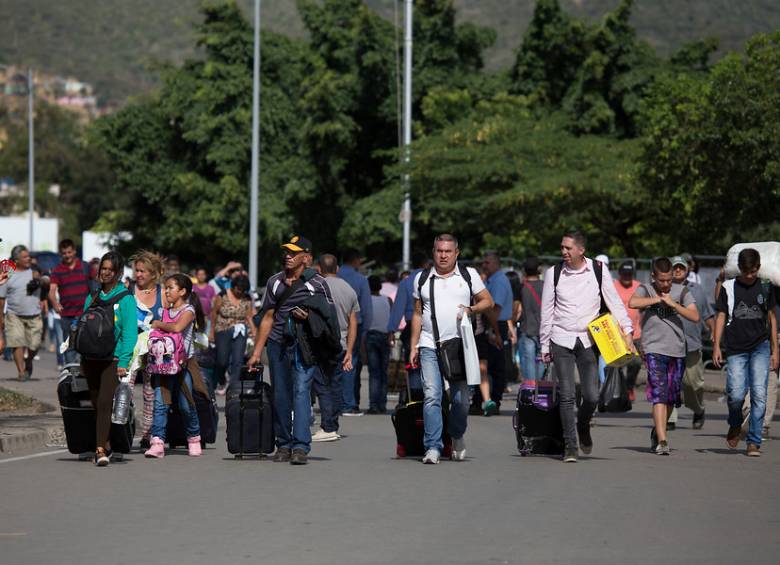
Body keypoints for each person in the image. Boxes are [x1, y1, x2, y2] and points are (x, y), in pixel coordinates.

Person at [540, 230, 634, 463]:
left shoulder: (598, 270)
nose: (563, 252)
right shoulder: (554, 273)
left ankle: (583, 426)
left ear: (581, 250)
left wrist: (628, 332)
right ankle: (570, 446)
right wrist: (544, 345)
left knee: (591, 396)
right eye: (562, 247)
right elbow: (547, 311)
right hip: (561, 339)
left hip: (590, 340)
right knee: (567, 396)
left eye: (568, 248)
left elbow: (614, 303)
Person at [248, 236, 334, 465]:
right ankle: (283, 444)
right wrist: (257, 352)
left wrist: (308, 317)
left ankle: (300, 446)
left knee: (300, 392)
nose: (288, 256)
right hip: (277, 345)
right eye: (286, 251)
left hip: (304, 346)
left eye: (294, 253)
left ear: (306, 258)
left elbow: (328, 317)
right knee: (281, 394)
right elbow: (267, 317)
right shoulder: (274, 282)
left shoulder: (317, 283)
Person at [410, 234, 496, 464]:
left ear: (456, 252)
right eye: (439, 251)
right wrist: (413, 345)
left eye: (448, 251)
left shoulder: (468, 275)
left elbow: (488, 301)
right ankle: (433, 447)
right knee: (432, 396)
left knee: (460, 399)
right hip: (429, 344)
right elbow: (418, 313)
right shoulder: (422, 278)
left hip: (459, 346)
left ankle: (456, 435)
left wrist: (471, 308)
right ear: (433, 252)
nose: (443, 255)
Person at [629, 257, 699, 454]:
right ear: (654, 277)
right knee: (659, 393)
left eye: (669, 280)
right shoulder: (646, 289)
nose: (667, 284)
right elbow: (632, 302)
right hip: (653, 349)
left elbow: (695, 316)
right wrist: (658, 300)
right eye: (662, 280)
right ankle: (662, 440)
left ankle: (657, 431)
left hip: (677, 350)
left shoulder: (681, 291)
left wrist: (674, 305)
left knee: (671, 397)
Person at [712, 248, 779, 457]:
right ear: (740, 269)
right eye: (746, 271)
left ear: (758, 268)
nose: (750, 275)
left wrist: (775, 350)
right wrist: (716, 345)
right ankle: (734, 423)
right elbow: (721, 316)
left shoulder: (766, 287)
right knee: (735, 393)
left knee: (759, 394)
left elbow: (772, 318)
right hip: (735, 348)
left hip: (760, 346)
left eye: (753, 271)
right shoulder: (729, 287)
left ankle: (754, 441)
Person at [80, 251, 137, 466]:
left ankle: (100, 450)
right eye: (102, 268)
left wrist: (124, 362)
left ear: (118, 273)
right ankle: (108, 443)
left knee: (105, 402)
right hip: (90, 359)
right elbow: (84, 325)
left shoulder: (126, 299)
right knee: (96, 404)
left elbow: (130, 334)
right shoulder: (93, 296)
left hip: (112, 360)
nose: (104, 273)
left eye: (109, 270)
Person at [144, 274, 206, 458]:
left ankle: (194, 437)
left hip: (183, 366)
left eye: (170, 287)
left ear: (182, 291)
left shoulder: (189, 310)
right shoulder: (163, 311)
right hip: (163, 366)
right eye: (166, 288)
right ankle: (157, 442)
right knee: (160, 403)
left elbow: (178, 328)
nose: (167, 291)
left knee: (186, 405)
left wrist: (158, 324)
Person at [311, 254, 359, 442]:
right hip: (341, 342)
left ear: (319, 269)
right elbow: (353, 323)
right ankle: (333, 423)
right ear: (337, 268)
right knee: (335, 383)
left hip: (320, 341)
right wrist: (349, 350)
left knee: (321, 384)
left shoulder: (316, 287)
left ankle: (327, 426)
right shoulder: (349, 290)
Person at [666, 256, 715, 429]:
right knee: (670, 381)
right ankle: (669, 418)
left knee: (692, 383)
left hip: (692, 344)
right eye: (675, 267)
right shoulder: (663, 289)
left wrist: (714, 331)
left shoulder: (698, 290)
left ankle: (698, 409)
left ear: (687, 270)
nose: (678, 270)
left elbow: (708, 314)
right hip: (668, 344)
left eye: (681, 267)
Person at [129, 250, 165, 448]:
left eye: (143, 271)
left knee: (150, 392)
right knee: (125, 389)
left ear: (153, 274)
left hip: (154, 350)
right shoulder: (129, 291)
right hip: (131, 349)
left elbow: (169, 318)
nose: (139, 275)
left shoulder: (163, 293)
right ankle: (122, 428)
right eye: (137, 271)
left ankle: (148, 434)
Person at [0, 245, 45, 381]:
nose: (29, 259)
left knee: (35, 345)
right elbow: (1, 299)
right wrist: (1, 317)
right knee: (16, 343)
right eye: (25, 257)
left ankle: (29, 362)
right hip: (14, 315)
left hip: (34, 315)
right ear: (16, 260)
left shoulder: (35, 272)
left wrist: (41, 281)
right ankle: (21, 372)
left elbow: (47, 283)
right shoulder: (8, 275)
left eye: (29, 256)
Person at [387, 252, 429, 394]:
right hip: (431, 325)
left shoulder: (406, 282)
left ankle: (415, 394)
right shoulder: (432, 279)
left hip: (412, 327)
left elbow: (398, 308)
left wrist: (391, 330)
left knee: (413, 363)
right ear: (426, 264)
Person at [338, 248, 373, 415]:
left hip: (332, 325)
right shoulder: (360, 279)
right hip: (354, 326)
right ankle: (349, 403)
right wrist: (366, 328)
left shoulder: (334, 277)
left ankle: (334, 401)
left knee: (332, 364)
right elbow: (366, 307)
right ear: (356, 261)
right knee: (350, 362)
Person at [209, 273, 255, 394]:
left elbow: (249, 316)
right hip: (223, 329)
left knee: (238, 360)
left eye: (243, 290)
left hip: (240, 330)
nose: (240, 292)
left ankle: (233, 388)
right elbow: (214, 313)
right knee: (222, 360)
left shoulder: (247, 298)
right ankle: (222, 380)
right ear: (233, 286)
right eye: (238, 289)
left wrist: (254, 332)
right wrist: (211, 332)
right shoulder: (222, 295)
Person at [48, 239, 91, 366]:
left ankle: (86, 372)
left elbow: (98, 283)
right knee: (70, 345)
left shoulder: (85, 266)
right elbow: (52, 291)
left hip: (85, 313)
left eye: (69, 252)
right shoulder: (58, 270)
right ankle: (71, 373)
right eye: (64, 253)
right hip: (67, 315)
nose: (67, 255)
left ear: (74, 251)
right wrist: (55, 304)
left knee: (86, 345)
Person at [481, 251, 512, 410]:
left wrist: (494, 332)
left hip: (496, 324)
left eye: (487, 263)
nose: (484, 265)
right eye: (483, 262)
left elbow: (495, 308)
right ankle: (490, 398)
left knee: (494, 365)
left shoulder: (499, 281)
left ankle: (495, 399)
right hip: (494, 324)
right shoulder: (491, 280)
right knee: (491, 364)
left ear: (496, 264)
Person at [613, 261, 643, 400]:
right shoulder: (613, 286)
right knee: (617, 366)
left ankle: (629, 386)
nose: (627, 277)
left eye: (629, 274)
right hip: (616, 334)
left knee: (636, 363)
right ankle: (619, 390)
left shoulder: (638, 286)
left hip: (635, 333)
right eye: (624, 274)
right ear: (619, 274)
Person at [517, 257, 545, 382]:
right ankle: (540, 387)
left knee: (528, 360)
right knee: (542, 358)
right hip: (544, 329)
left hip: (526, 328)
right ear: (539, 270)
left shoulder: (521, 287)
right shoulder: (546, 286)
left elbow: (517, 309)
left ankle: (531, 389)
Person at [367, 275, 392, 414]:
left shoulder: (366, 301)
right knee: (383, 371)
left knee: (374, 372)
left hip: (371, 336)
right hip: (385, 336)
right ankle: (382, 404)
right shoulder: (387, 300)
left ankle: (373, 405)